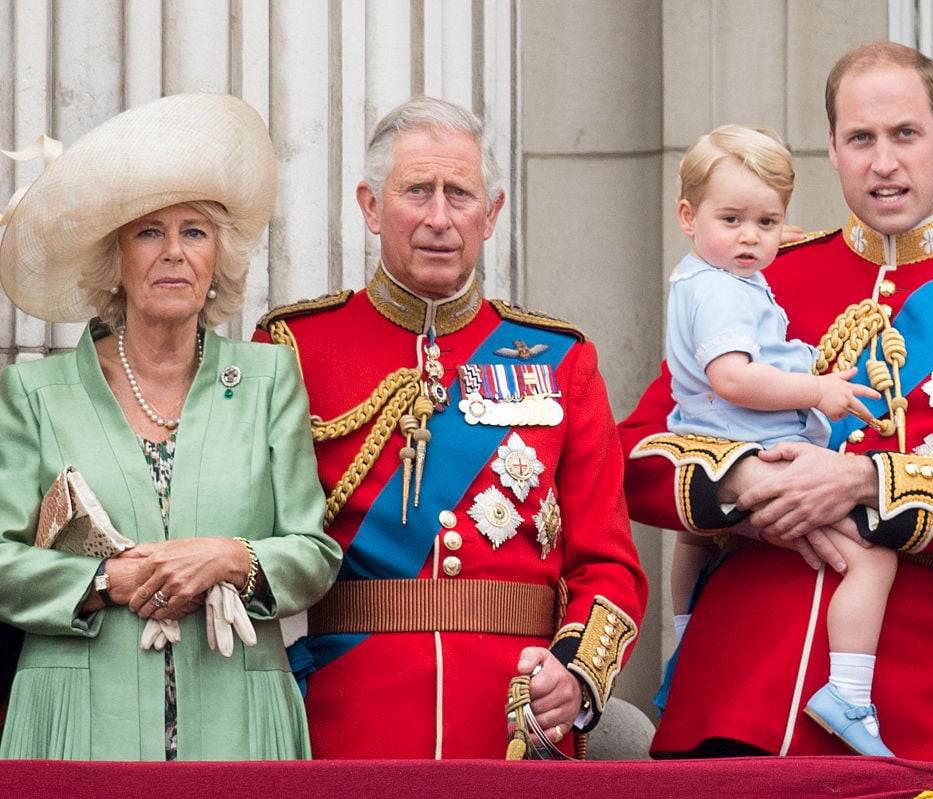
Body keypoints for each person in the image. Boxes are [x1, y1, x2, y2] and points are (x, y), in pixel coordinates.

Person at [619, 40, 933, 762]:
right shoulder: (763, 274)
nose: (884, 162)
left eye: (904, 134)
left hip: (908, 703)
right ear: (832, 148)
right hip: (732, 689)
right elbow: (637, 453)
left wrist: (864, 480)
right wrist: (750, 483)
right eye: (861, 139)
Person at [254, 96, 648, 759]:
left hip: (516, 720)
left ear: (490, 214)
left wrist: (577, 673)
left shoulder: (560, 358)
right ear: (372, 206)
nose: (439, 217)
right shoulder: (295, 347)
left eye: (459, 194)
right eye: (417, 191)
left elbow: (608, 563)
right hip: (347, 716)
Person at [0, 93, 343, 761]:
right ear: (115, 258)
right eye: (149, 232)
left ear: (218, 257)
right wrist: (106, 583)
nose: (174, 253)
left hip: (239, 719)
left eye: (194, 232)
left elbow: (313, 554)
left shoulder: (270, 380)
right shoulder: (34, 393)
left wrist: (231, 558)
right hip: (77, 724)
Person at [663, 123, 895, 756]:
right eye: (733, 219)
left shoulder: (706, 272)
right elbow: (731, 378)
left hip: (708, 441)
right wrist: (818, 392)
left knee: (694, 539)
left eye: (767, 222)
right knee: (872, 553)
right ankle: (848, 692)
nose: (751, 237)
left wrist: (757, 232)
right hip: (754, 446)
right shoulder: (731, 286)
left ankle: (681, 643)